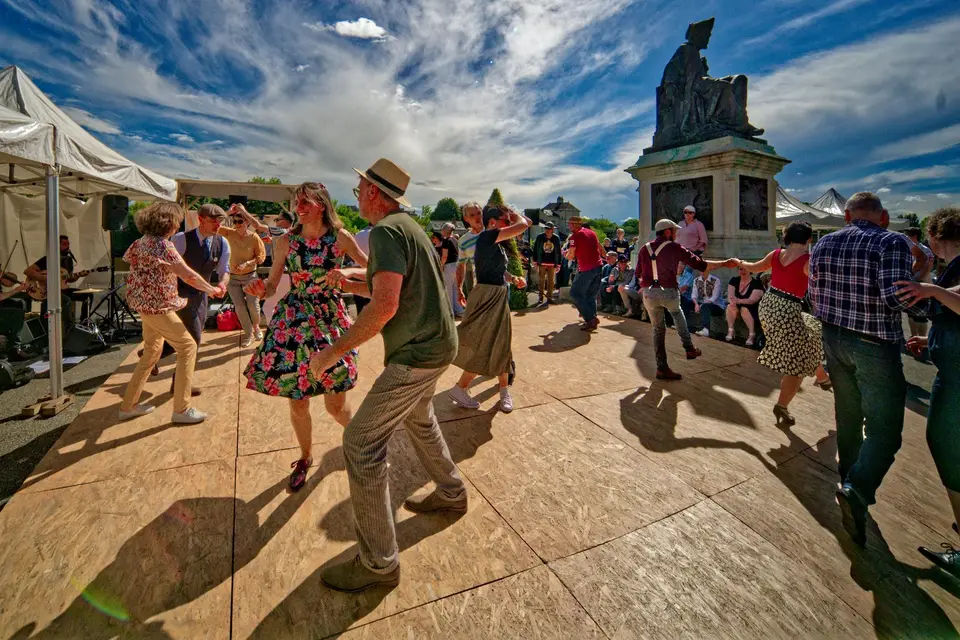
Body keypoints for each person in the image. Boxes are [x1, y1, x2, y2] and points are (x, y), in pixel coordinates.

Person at [307, 158, 465, 592]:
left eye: (360, 188)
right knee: (419, 418)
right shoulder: (407, 227)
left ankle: (378, 564)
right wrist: (347, 282)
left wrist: (331, 353)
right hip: (438, 344)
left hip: (417, 352)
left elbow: (385, 306)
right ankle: (452, 493)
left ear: (375, 194)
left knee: (360, 443)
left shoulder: (386, 231)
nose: (355, 194)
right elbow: (391, 290)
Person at [808, 192, 930, 547]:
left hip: (834, 335)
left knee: (847, 414)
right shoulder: (891, 241)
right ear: (884, 216)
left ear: (847, 215)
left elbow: (814, 291)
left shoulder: (825, 242)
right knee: (885, 429)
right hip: (874, 343)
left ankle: (847, 480)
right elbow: (898, 298)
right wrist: (922, 274)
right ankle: (857, 490)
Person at [243, 182, 367, 492]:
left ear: (322, 204)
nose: (298, 206)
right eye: (296, 201)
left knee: (335, 404)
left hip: (329, 319)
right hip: (294, 322)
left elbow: (376, 272)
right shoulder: (286, 241)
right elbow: (272, 284)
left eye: (304, 201)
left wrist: (348, 275)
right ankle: (305, 456)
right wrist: (262, 290)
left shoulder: (341, 238)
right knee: (297, 402)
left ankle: (364, 444)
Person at [895, 207, 960, 576]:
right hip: (951, 367)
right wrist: (929, 338)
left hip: (957, 376)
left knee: (948, 448)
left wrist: (929, 287)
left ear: (936, 236)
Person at [119, 202, 226, 424]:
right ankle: (182, 409)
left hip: (144, 306)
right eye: (176, 220)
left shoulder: (139, 243)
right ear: (168, 223)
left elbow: (132, 263)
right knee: (188, 346)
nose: (178, 224)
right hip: (159, 307)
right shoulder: (164, 246)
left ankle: (128, 406)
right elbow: (190, 276)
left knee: (152, 351)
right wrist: (213, 289)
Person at [739, 222, 831, 425]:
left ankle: (822, 377)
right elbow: (823, 286)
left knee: (811, 334)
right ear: (809, 239)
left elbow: (754, 267)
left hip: (769, 305)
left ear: (786, 237)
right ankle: (782, 406)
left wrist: (738, 262)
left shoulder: (776, 254)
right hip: (787, 309)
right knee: (796, 365)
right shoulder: (809, 260)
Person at [448, 205, 530, 412]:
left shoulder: (491, 240)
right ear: (493, 222)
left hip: (495, 292)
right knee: (488, 344)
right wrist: (515, 215)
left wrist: (513, 278)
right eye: (505, 220)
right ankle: (466, 387)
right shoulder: (487, 237)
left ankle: (500, 390)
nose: (509, 224)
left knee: (499, 344)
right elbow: (524, 224)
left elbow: (496, 269)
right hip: (489, 295)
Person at [637, 219, 735, 380]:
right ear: (667, 232)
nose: (676, 234)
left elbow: (638, 273)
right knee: (677, 313)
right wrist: (725, 263)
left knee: (658, 330)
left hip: (649, 293)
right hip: (668, 290)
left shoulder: (643, 248)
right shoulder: (675, 248)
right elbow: (700, 264)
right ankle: (689, 348)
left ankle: (661, 368)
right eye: (674, 231)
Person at [158, 204, 231, 395]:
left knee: (184, 339)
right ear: (200, 219)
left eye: (220, 221)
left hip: (202, 296)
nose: (217, 224)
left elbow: (225, 270)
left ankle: (152, 356)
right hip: (180, 295)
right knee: (194, 338)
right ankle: (180, 385)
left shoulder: (222, 243)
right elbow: (173, 269)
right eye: (213, 220)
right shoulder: (181, 239)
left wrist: (223, 284)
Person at [218, 209, 266, 347]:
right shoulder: (229, 233)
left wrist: (247, 263)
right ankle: (248, 334)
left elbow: (261, 257)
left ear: (247, 222)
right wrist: (227, 212)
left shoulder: (254, 237)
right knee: (239, 307)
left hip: (250, 276)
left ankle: (256, 327)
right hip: (232, 278)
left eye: (240, 221)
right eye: (235, 222)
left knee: (253, 305)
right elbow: (216, 225)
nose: (237, 224)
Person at [566, 217, 604, 331]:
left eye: (569, 224)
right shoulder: (592, 233)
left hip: (586, 269)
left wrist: (565, 254)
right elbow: (598, 247)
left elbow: (571, 255)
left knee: (575, 294)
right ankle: (593, 320)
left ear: (573, 225)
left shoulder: (574, 237)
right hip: (598, 267)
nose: (568, 226)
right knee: (590, 295)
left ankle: (590, 319)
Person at [903, 226, 935, 341]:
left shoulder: (925, 251)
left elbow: (926, 270)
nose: (906, 238)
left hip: (921, 286)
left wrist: (912, 279)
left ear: (914, 236)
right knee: (910, 314)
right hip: (910, 284)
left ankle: (921, 339)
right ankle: (913, 336)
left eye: (908, 235)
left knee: (921, 317)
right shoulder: (908, 249)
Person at [724, 264, 764, 344]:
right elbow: (730, 296)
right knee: (730, 306)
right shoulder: (734, 280)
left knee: (744, 309)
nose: (743, 271)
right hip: (737, 306)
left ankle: (752, 334)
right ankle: (731, 331)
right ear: (738, 270)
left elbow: (751, 300)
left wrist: (738, 300)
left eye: (746, 269)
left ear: (751, 270)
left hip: (752, 308)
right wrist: (733, 302)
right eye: (741, 269)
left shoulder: (756, 283)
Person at [456, 202, 484, 305]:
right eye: (472, 215)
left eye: (479, 213)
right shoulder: (464, 241)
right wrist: (459, 289)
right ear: (466, 218)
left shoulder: (492, 231)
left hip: (499, 285)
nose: (477, 217)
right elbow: (461, 265)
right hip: (480, 286)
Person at [532, 221, 561, 305]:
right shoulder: (539, 237)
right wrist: (535, 261)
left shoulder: (556, 238)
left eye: (549, 229)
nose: (547, 230)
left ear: (552, 229)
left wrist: (558, 264)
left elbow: (558, 251)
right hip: (542, 262)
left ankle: (549, 298)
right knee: (541, 280)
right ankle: (541, 297)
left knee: (551, 281)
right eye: (546, 228)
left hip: (552, 263)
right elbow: (535, 249)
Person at [438, 222, 463, 317]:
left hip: (449, 266)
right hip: (457, 265)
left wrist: (440, 266)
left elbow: (444, 256)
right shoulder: (455, 240)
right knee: (456, 289)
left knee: (448, 289)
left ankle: (450, 311)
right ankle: (459, 310)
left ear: (445, 230)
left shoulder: (446, 241)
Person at [691, 269, 725, 337]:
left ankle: (705, 330)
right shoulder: (696, 280)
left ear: (708, 270)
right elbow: (694, 295)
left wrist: (701, 305)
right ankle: (681, 325)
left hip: (717, 306)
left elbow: (714, 297)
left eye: (704, 270)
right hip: (703, 304)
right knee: (688, 302)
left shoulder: (715, 280)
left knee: (705, 306)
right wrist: (696, 304)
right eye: (701, 270)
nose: (702, 272)